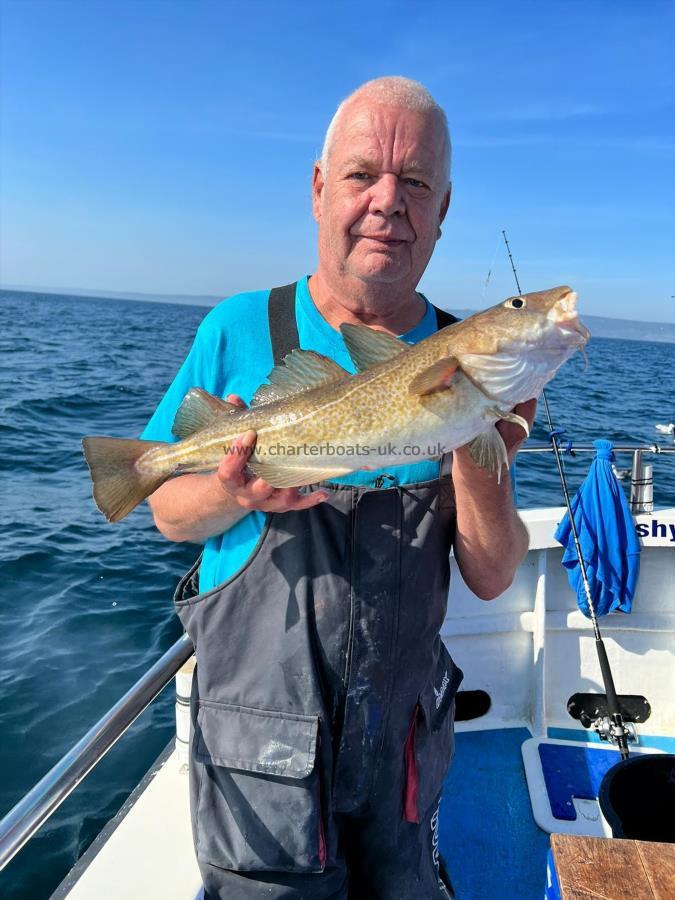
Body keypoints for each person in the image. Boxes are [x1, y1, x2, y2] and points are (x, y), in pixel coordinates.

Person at [142, 76, 535, 899]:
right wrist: (237, 492)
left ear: (443, 209)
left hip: (401, 758)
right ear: (320, 189)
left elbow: (494, 575)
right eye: (362, 175)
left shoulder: (467, 353)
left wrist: (470, 435)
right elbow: (164, 512)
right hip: (259, 765)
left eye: (416, 182)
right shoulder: (237, 329)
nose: (388, 202)